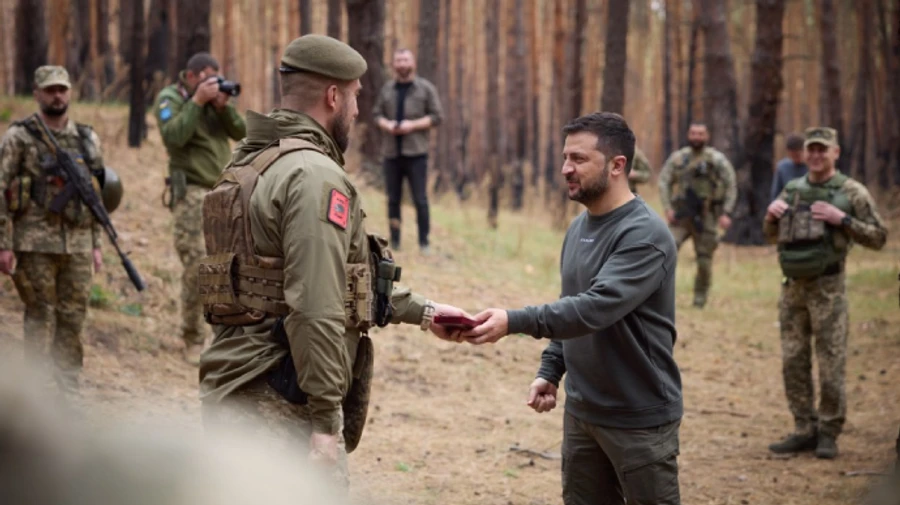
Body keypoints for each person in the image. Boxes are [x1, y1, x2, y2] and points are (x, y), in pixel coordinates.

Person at [197, 34, 468, 488]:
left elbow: (316, 277)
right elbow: (315, 301)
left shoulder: (253, 161)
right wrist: (324, 421)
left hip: (233, 387)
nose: (359, 111)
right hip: (280, 404)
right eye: (357, 97)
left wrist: (424, 312)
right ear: (333, 96)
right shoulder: (315, 175)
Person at [459, 112, 682, 505]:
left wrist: (513, 320)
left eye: (579, 159)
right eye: (565, 157)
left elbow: (593, 309)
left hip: (637, 417)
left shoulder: (645, 234)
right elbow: (571, 308)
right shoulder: (579, 228)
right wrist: (551, 370)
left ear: (617, 166)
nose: (565, 169)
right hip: (583, 413)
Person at [764, 126, 887, 459]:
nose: (816, 155)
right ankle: (804, 428)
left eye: (823, 150)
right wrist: (770, 218)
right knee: (793, 361)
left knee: (830, 363)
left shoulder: (851, 191)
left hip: (828, 290)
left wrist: (842, 218)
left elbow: (879, 237)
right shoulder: (792, 190)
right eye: (811, 150)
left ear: (835, 153)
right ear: (804, 153)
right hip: (793, 291)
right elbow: (774, 237)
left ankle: (829, 432)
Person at [0, 66, 106, 394]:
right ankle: (35, 396)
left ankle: (67, 389)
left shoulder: (87, 138)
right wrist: (4, 243)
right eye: (49, 90)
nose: (56, 95)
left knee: (73, 318)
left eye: (61, 89)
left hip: (76, 244)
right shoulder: (19, 137)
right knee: (40, 316)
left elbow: (94, 195)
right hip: (33, 243)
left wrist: (95, 243)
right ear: (37, 93)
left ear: (70, 92)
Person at [153, 52, 247, 365]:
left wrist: (222, 108)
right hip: (191, 191)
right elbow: (174, 137)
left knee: (227, 266)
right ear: (192, 76)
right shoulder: (171, 99)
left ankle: (221, 335)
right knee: (196, 265)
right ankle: (192, 336)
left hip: (223, 190)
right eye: (207, 78)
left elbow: (240, 132)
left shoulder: (214, 102)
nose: (212, 84)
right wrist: (196, 103)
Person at [658, 123, 737, 308]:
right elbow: (664, 181)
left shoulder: (716, 159)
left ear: (707, 135)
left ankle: (699, 300)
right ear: (688, 135)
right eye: (693, 133)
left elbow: (731, 184)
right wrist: (668, 208)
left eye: (700, 133)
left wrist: (726, 212)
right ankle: (658, 296)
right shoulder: (678, 159)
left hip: (706, 216)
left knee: (704, 260)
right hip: (680, 217)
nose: (696, 137)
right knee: (664, 252)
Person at [373, 48, 443, 253]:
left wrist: (412, 125)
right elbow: (376, 113)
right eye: (398, 60)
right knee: (393, 199)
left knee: (420, 199)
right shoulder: (387, 89)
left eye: (405, 60)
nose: (402, 64)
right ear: (394, 64)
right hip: (391, 153)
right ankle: (394, 241)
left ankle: (424, 242)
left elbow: (437, 116)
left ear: (412, 63)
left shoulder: (425, 89)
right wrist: (386, 124)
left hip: (416, 153)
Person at [770, 132, 808, 202]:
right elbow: (776, 194)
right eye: (792, 156)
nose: (795, 159)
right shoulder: (782, 167)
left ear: (805, 151)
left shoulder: (812, 167)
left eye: (797, 156)